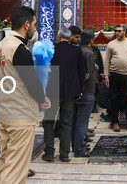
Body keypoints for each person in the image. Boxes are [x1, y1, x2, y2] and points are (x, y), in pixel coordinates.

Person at [0, 6, 50, 184]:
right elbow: (31, 80)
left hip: (5, 111)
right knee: (17, 168)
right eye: (34, 24)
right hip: (21, 115)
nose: (35, 28)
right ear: (26, 24)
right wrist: (42, 99)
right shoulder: (18, 48)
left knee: (4, 161)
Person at [42, 28, 85, 163]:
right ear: (70, 37)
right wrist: (80, 90)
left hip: (52, 92)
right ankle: (64, 154)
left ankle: (49, 153)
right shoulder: (77, 51)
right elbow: (81, 72)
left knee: (49, 121)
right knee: (66, 123)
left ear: (59, 36)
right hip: (70, 93)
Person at [103, 24, 127, 132]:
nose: (117, 33)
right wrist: (106, 76)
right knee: (114, 99)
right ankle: (115, 122)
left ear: (124, 31)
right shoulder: (111, 44)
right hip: (114, 75)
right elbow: (107, 61)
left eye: (119, 31)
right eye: (116, 31)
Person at [71, 30, 96, 157]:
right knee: (82, 121)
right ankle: (79, 149)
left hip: (75, 91)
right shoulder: (89, 53)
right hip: (86, 91)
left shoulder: (76, 51)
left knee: (75, 120)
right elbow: (88, 73)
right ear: (91, 40)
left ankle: (75, 145)